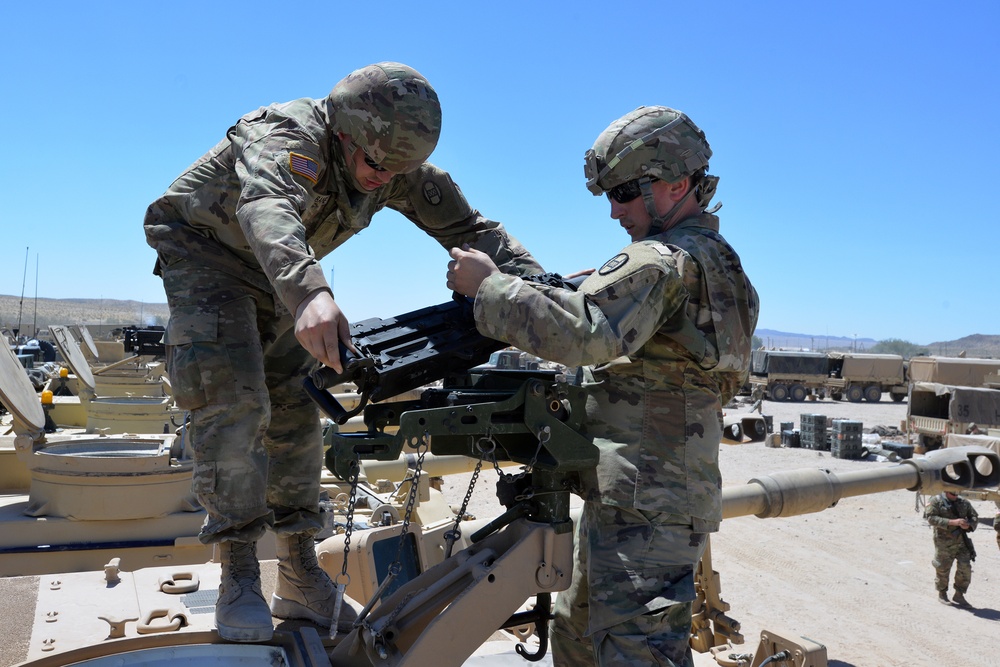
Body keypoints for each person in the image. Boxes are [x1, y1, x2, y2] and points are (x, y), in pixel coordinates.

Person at [143, 62, 542, 643]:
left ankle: (300, 571)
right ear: (343, 135)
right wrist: (310, 294)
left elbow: (473, 229)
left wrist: (540, 288)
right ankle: (238, 570)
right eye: (375, 165)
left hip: (278, 276)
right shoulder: (287, 135)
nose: (385, 179)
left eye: (398, 169)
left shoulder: (394, 162)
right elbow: (267, 210)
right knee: (233, 400)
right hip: (208, 257)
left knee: (295, 409)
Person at [447, 106, 759, 666]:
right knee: (579, 632)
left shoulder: (661, 261)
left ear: (677, 183)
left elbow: (586, 336)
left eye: (624, 191)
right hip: (642, 492)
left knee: (635, 650)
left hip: (643, 499)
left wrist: (489, 288)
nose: (614, 210)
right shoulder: (721, 265)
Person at [923, 490, 978, 606]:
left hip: (962, 541)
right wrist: (953, 522)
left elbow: (974, 516)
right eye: (953, 494)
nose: (955, 496)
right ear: (946, 491)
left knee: (965, 568)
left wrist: (968, 524)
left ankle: (959, 594)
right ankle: (942, 593)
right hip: (944, 542)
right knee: (943, 568)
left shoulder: (963, 502)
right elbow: (931, 518)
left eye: (957, 494)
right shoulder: (935, 501)